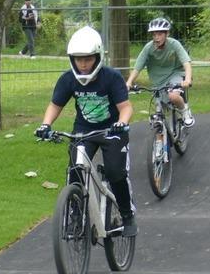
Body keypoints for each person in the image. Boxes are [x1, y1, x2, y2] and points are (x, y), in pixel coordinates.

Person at [35, 26, 137, 237]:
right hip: (84, 131)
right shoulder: (67, 79)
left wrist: (122, 123)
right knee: (75, 172)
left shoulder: (111, 77)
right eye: (78, 59)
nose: (83, 64)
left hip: (112, 130)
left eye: (88, 59)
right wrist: (46, 125)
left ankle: (127, 214)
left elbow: (126, 108)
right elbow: (55, 105)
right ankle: (75, 215)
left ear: (98, 56)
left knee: (115, 173)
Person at [125, 18, 195, 128]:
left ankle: (185, 111)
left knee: (173, 97)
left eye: (160, 34)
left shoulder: (174, 44)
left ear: (167, 34)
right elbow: (137, 67)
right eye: (154, 34)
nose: (156, 37)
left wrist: (187, 79)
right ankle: (159, 143)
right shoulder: (148, 48)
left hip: (175, 74)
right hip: (157, 81)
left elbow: (186, 63)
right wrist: (129, 82)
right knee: (158, 117)